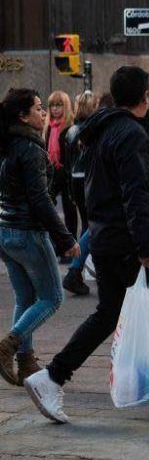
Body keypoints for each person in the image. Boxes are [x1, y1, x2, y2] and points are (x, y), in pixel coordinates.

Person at [26, 66, 149, 423]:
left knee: (108, 313)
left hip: (105, 236)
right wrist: (147, 245)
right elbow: (135, 193)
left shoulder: (98, 130)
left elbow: (87, 188)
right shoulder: (130, 134)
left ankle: (51, 377)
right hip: (128, 242)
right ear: (144, 97)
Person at [0, 89, 79, 386]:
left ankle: (27, 361)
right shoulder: (30, 148)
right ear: (23, 116)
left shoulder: (7, 143)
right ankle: (9, 345)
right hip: (27, 233)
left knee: (26, 297)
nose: (43, 112)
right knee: (52, 298)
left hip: (6, 231)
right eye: (38, 107)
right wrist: (66, 239)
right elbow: (41, 200)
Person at [61, 92, 100, 297]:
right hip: (88, 179)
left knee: (87, 223)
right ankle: (79, 268)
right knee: (93, 225)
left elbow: (67, 162)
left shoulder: (71, 131)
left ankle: (82, 267)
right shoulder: (91, 130)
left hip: (75, 180)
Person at [43, 91, 78, 254]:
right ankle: (56, 245)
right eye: (52, 105)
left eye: (59, 105)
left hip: (67, 174)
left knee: (70, 212)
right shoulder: (48, 126)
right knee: (47, 206)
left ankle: (69, 247)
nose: (55, 109)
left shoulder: (70, 127)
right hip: (53, 173)